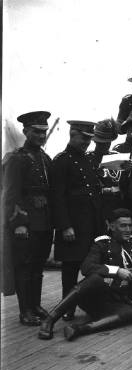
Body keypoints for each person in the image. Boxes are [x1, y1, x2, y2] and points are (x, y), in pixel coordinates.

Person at [38, 208, 132, 341]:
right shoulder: (102, 243)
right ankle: (49, 320)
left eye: (130, 225)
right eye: (123, 226)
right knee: (94, 279)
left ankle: (79, 329)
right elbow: (86, 267)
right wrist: (116, 271)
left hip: (118, 301)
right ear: (111, 226)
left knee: (129, 312)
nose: (128, 229)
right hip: (96, 298)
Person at [2, 111, 53, 325]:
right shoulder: (16, 159)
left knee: (38, 267)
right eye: (36, 132)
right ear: (25, 132)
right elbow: (11, 195)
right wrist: (18, 224)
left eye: (44, 132)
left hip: (44, 222)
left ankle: (35, 305)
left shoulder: (45, 158)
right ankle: (25, 311)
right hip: (26, 223)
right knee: (24, 267)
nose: (41, 136)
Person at [51, 120, 102, 321]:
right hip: (73, 226)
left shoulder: (88, 160)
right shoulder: (61, 161)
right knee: (70, 270)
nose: (87, 143)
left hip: (91, 224)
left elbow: (94, 193)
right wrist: (65, 226)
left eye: (89, 139)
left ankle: (91, 304)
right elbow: (57, 197)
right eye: (83, 138)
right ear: (72, 135)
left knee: (92, 266)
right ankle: (67, 307)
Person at [87, 118, 128, 221]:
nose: (104, 145)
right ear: (95, 141)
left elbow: (126, 183)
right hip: (95, 208)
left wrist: (127, 171)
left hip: (117, 208)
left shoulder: (119, 157)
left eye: (107, 142)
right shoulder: (87, 158)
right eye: (101, 142)